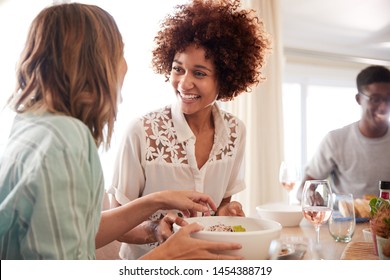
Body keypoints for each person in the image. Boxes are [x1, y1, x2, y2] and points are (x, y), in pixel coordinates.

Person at [0, 2, 243, 260]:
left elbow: (83, 231)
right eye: (119, 52)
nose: (125, 65)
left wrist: (157, 201)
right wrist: (167, 257)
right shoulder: (66, 142)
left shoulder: (32, 124)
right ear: (94, 63)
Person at [109, 0, 270, 259]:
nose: (184, 83)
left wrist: (225, 214)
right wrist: (155, 229)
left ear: (225, 79)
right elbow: (117, 225)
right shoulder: (142, 131)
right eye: (178, 69)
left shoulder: (235, 132)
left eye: (199, 73)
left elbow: (217, 211)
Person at [297, 65, 390, 201]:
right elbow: (302, 190)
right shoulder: (335, 140)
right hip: (347, 221)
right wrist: (310, 196)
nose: (384, 107)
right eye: (375, 99)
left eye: (388, 98)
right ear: (359, 99)